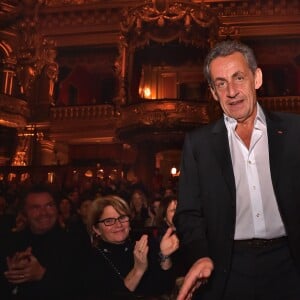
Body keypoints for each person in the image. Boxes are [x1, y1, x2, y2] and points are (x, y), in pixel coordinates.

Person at [174, 39, 300, 300]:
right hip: (227, 269)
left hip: (290, 263)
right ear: (212, 92)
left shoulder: (294, 132)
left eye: (239, 77)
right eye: (221, 83)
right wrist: (200, 255)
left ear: (257, 78)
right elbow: (188, 213)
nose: (231, 91)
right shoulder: (198, 144)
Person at [83, 194, 179, 299]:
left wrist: (165, 256)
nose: (118, 225)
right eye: (109, 221)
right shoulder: (90, 260)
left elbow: (164, 286)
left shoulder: (142, 245)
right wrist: (138, 270)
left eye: (122, 218)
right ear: (96, 229)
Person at [0, 184, 80, 300]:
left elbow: (80, 289)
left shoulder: (74, 244)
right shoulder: (9, 242)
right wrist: (11, 276)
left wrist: (42, 275)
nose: (44, 212)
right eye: (36, 207)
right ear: (25, 213)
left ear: (56, 209)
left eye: (49, 205)